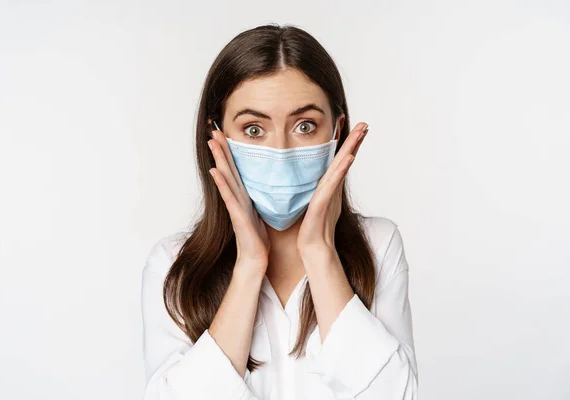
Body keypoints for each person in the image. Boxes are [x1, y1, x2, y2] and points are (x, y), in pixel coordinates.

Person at [141, 23, 418, 400]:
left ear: (337, 131)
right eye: (254, 130)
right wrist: (249, 266)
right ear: (216, 135)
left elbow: (395, 395)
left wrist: (320, 254)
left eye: (305, 126)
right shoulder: (174, 264)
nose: (282, 153)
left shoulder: (379, 245)